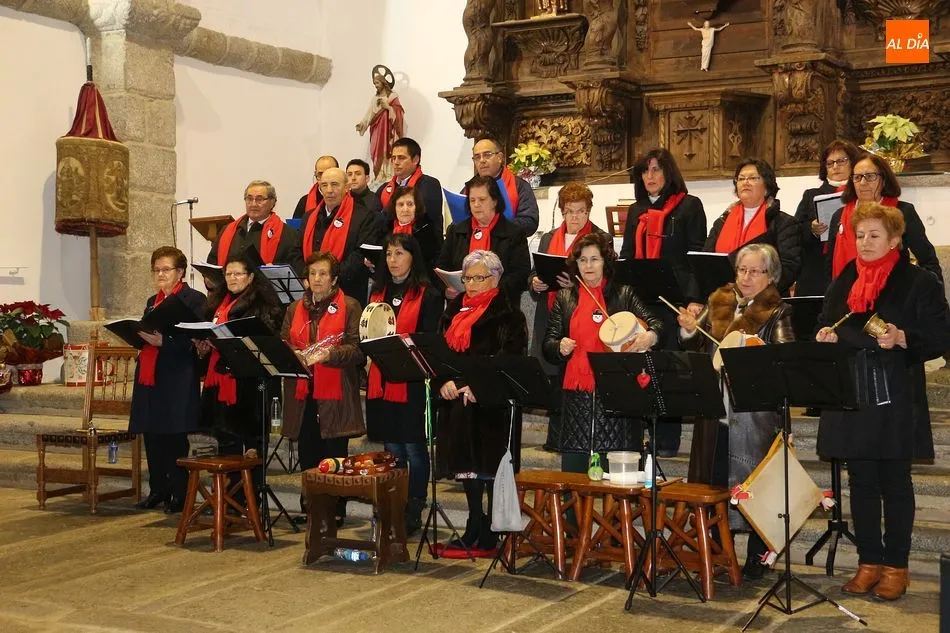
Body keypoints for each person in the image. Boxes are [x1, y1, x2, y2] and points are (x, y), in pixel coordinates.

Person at [815, 202, 950, 601]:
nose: (866, 242)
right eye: (860, 235)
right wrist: (825, 334)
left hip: (894, 393)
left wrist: (903, 337)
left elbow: (941, 336)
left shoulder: (918, 282)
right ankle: (868, 563)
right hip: (852, 390)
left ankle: (896, 566)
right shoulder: (846, 277)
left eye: (875, 235)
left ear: (894, 240)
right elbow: (827, 317)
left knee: (894, 482)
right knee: (861, 482)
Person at [677, 243, 794, 581]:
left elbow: (784, 356)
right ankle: (714, 551)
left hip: (754, 416)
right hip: (715, 410)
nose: (745, 277)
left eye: (755, 271)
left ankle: (758, 557)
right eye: (742, 270)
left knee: (755, 488)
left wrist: (752, 351)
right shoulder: (719, 301)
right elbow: (693, 342)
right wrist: (687, 326)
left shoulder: (778, 311)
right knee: (712, 483)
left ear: (770, 276)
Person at [542, 232, 661, 472]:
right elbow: (548, 345)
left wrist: (650, 336)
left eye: (594, 259)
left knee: (615, 479)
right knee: (573, 477)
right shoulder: (565, 298)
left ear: (605, 262)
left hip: (615, 396)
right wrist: (560, 346)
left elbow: (657, 326)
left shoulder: (623, 294)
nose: (588, 265)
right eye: (583, 260)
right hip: (576, 398)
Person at [437, 250, 528, 552]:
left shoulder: (510, 315)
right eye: (468, 278)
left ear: (496, 279)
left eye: (479, 277)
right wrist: (445, 382)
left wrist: (479, 386)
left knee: (487, 469)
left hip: (490, 404)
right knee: (465, 469)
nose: (472, 284)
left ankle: (491, 525)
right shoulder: (453, 311)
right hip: (457, 402)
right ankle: (473, 521)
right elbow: (440, 355)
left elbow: (510, 360)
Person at [620, 148, 708, 456]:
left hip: (676, 299)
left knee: (667, 366)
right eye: (645, 171)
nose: (651, 176)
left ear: (669, 173)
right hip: (642, 298)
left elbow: (697, 254)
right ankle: (642, 431)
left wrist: (696, 299)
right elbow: (628, 255)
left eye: (657, 170)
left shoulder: (689, 206)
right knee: (640, 364)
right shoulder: (635, 210)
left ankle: (667, 438)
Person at [364, 234, 444, 535]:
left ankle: (414, 507)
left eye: (399, 253)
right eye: (388, 254)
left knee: (413, 449)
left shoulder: (428, 294)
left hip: (411, 380)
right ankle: (393, 503)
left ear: (413, 256)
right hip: (381, 378)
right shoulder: (378, 292)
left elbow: (429, 340)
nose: (393, 259)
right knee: (391, 447)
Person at [281, 251, 367, 523]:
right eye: (312, 274)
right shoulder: (294, 308)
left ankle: (336, 510)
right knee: (309, 452)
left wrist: (329, 355)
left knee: (334, 454)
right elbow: (284, 341)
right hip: (303, 392)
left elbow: (358, 351)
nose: (316, 279)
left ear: (334, 279)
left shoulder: (351, 305)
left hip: (336, 391)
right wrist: (294, 353)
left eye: (323, 274)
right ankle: (311, 508)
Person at [197, 253, 283, 498]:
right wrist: (203, 346)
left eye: (238, 274)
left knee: (251, 446)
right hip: (219, 378)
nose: (232, 278)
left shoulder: (264, 305)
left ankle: (250, 498)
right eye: (228, 274)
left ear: (251, 276)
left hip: (249, 385)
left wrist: (224, 343)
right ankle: (230, 500)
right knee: (225, 443)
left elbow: (265, 344)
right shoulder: (217, 302)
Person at [130, 246, 206, 514]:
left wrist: (166, 341)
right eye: (156, 270)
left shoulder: (193, 299)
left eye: (166, 269)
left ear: (180, 271)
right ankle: (157, 490)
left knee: (175, 438)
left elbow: (197, 341)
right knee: (152, 435)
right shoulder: (153, 300)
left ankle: (179, 493)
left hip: (177, 375)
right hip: (151, 375)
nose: (160, 274)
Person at [529, 182, 610, 378]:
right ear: (562, 211)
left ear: (588, 211)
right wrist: (535, 282)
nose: (575, 217)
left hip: (582, 315)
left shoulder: (600, 239)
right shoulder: (549, 237)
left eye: (581, 211)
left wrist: (574, 285)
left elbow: (608, 281)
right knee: (549, 373)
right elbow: (534, 272)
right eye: (569, 211)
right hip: (549, 314)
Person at [827, 152, 942, 286]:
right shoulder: (838, 216)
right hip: (846, 295)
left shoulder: (903, 212)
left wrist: (933, 295)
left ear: (884, 180)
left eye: (870, 176)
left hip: (894, 295)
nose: (863, 182)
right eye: (857, 177)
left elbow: (928, 260)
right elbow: (829, 266)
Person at [705, 158, 801, 294]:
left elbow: (789, 268)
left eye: (753, 178)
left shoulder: (783, 223)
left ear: (767, 187)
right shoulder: (722, 222)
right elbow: (706, 260)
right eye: (741, 178)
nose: (745, 182)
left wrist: (756, 292)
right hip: (723, 298)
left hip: (764, 302)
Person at [437, 175, 530, 304]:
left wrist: (490, 289)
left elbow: (520, 274)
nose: (476, 205)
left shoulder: (514, 233)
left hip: (499, 307)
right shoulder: (456, 231)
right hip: (461, 305)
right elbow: (442, 267)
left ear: (495, 201)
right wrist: (446, 289)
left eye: (482, 199)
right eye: (472, 200)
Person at [301, 167, 381, 306]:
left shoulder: (363, 216)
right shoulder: (309, 217)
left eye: (335, 184)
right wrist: (308, 276)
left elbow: (359, 255)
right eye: (324, 185)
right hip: (311, 290)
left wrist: (330, 279)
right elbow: (296, 250)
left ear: (347, 187)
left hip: (347, 292)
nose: (329, 190)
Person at [793, 139, 863, 296]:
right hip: (816, 270)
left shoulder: (862, 193)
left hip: (855, 264)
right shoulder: (811, 195)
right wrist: (812, 228)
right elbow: (794, 230)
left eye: (841, 161)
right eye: (830, 163)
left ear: (854, 163)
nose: (835, 167)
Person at [208, 180, 304, 274]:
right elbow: (212, 263)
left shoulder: (288, 235)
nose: (253, 204)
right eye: (249, 199)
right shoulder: (228, 230)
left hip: (266, 289)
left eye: (259, 199)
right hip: (229, 288)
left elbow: (296, 272)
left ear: (272, 202)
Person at [376, 137, 443, 248]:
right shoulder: (383, 189)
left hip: (423, 249)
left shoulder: (429, 184)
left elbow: (422, 217)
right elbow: (376, 220)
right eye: (393, 158)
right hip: (389, 248)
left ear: (415, 160)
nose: (396, 162)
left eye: (401, 158)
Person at [470, 136, 540, 236]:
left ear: (500, 157)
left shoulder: (520, 186)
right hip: (475, 246)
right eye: (477, 157)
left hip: (508, 246)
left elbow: (530, 222)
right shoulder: (469, 189)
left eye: (487, 155)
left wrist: (496, 225)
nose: (482, 160)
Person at [356, 65, 404, 184]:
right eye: (375, 84)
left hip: (388, 130)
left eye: (377, 83)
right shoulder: (375, 98)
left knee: (387, 149)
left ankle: (388, 174)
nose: (376, 86)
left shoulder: (392, 96)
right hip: (377, 129)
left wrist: (387, 107)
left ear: (383, 83)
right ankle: (379, 175)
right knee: (376, 151)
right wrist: (362, 124)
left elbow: (398, 112)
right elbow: (369, 114)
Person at [381, 185, 440, 273]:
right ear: (394, 208)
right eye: (400, 204)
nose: (405, 209)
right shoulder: (385, 229)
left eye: (410, 204)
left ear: (417, 207)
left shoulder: (428, 230)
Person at [293, 156, 339, 220]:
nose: (324, 178)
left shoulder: (347, 199)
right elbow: (296, 229)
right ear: (316, 175)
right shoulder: (304, 201)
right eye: (320, 174)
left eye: (328, 173)